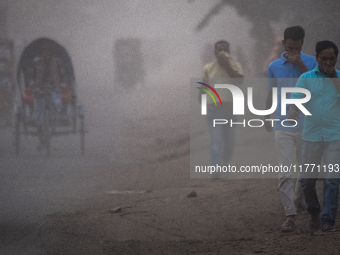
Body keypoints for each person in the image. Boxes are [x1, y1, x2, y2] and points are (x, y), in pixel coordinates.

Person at [263, 26, 318, 232]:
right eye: (291, 45)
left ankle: (298, 198)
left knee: (305, 170)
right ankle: (289, 214)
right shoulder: (274, 66)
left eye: (298, 46)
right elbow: (271, 93)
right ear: (284, 43)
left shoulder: (312, 62)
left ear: (303, 43)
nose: (294, 49)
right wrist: (266, 115)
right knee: (285, 170)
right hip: (283, 123)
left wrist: (302, 65)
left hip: (308, 125)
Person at [289, 40, 340, 233]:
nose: (328, 62)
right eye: (324, 58)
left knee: (332, 179)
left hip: (335, 135)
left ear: (336, 59)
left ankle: (328, 219)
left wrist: (334, 77)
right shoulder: (306, 78)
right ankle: (314, 213)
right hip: (312, 136)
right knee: (307, 180)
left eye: (332, 59)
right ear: (317, 58)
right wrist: (293, 111)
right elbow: (296, 100)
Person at [201, 40, 243, 178]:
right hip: (214, 109)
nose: (223, 53)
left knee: (230, 140)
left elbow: (239, 80)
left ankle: (225, 164)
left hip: (231, 108)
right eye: (220, 50)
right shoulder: (208, 67)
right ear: (215, 52)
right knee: (216, 139)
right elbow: (204, 86)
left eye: (225, 50)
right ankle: (216, 168)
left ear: (229, 52)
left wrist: (227, 67)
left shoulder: (235, 64)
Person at [32, 43, 63, 149]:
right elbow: (34, 77)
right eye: (44, 52)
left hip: (53, 90)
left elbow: (59, 77)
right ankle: (41, 139)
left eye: (48, 52)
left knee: (56, 105)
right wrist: (35, 88)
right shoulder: (37, 62)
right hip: (39, 91)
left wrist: (58, 87)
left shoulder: (56, 63)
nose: (46, 54)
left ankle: (51, 128)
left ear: (51, 53)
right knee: (37, 115)